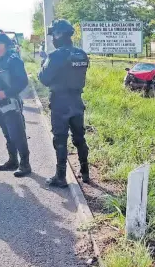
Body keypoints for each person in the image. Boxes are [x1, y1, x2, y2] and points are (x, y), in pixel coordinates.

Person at [38, 19, 90, 188]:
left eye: (53, 34)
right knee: (79, 137)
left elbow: (44, 79)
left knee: (60, 139)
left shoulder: (55, 56)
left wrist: (43, 62)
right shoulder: (82, 54)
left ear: (59, 34)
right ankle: (85, 171)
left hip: (60, 103)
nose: (52, 38)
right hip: (76, 101)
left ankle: (60, 177)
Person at [0, 33, 31, 177]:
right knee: (8, 134)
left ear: (4, 44)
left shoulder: (13, 60)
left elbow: (23, 82)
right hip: (0, 104)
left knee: (17, 134)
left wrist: (7, 93)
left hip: (11, 103)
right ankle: (13, 160)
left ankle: (25, 164)